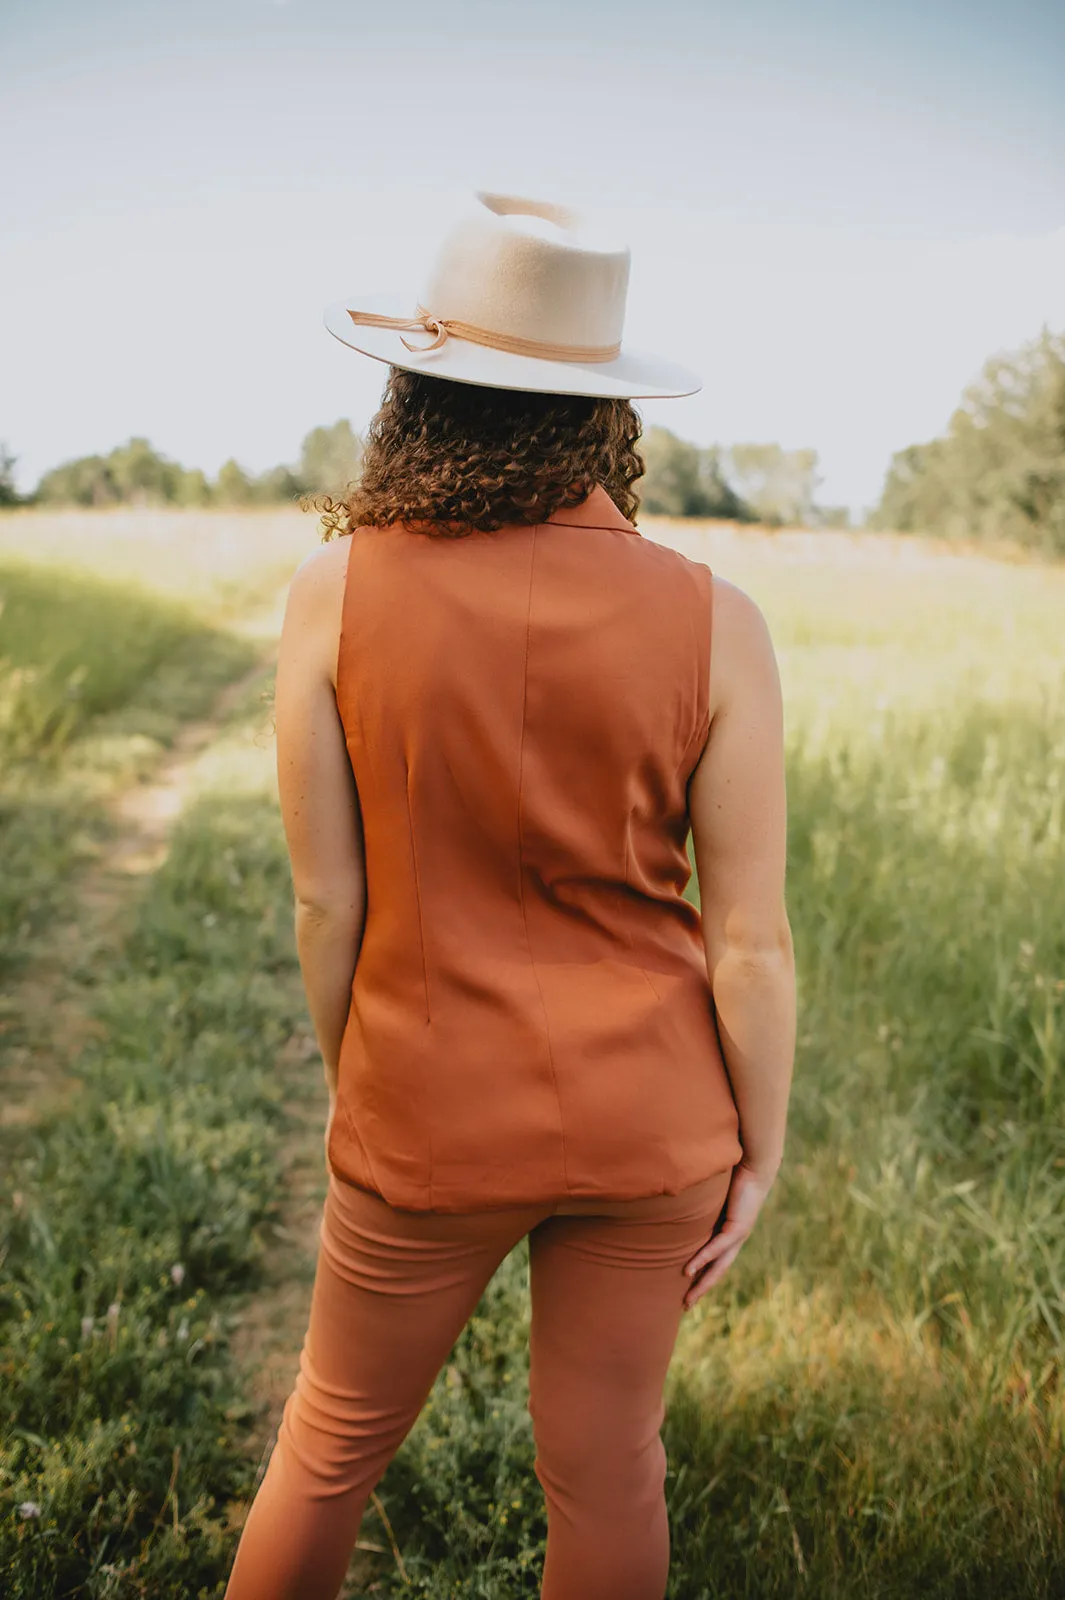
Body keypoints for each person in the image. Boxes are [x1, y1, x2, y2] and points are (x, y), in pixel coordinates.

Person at [223, 191, 796, 1600]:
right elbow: (751, 942)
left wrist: (356, 1073)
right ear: (604, 412)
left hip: (423, 1107)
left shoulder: (334, 593)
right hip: (654, 1122)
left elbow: (327, 909)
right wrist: (758, 1150)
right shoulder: (719, 620)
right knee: (609, 1480)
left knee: (331, 1446)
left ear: (417, 392)